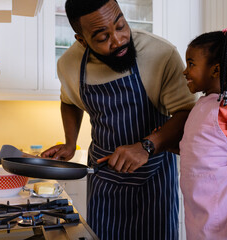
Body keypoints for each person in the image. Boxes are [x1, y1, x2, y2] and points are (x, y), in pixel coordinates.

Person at [41, 0, 196, 239]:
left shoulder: (161, 54)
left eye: (121, 25)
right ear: (81, 40)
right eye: (103, 38)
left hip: (154, 181)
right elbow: (69, 101)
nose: (119, 40)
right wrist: (70, 143)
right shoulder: (69, 64)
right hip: (104, 181)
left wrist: (146, 146)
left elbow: (186, 114)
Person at [179, 29, 227, 240]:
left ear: (215, 70)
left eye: (191, 64)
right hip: (196, 205)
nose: (185, 71)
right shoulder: (202, 104)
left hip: (221, 207)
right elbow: (201, 150)